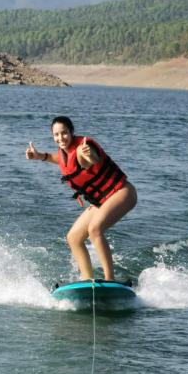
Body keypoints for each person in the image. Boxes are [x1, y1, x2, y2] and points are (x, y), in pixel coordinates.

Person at [25, 115, 137, 281]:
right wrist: (40, 156)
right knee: (74, 237)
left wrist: (88, 155)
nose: (60, 138)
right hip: (102, 200)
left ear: (71, 132)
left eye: (64, 133)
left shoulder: (84, 147)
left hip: (122, 192)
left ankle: (110, 280)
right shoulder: (65, 153)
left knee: (94, 229)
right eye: (56, 135)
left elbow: (89, 160)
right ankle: (86, 279)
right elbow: (61, 160)